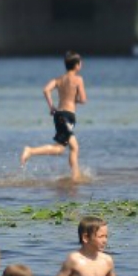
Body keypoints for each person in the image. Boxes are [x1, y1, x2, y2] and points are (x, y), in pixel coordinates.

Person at [20, 51, 88, 181]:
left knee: (69, 148)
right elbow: (83, 99)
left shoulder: (59, 79)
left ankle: (75, 177)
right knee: (66, 148)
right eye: (80, 62)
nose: (81, 64)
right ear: (77, 65)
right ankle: (30, 151)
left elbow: (46, 90)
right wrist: (75, 100)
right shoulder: (78, 79)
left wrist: (52, 107)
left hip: (59, 115)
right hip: (68, 116)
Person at [53, 216, 117, 276]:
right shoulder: (74, 260)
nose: (105, 241)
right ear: (85, 238)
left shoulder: (107, 260)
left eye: (106, 236)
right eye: (101, 236)